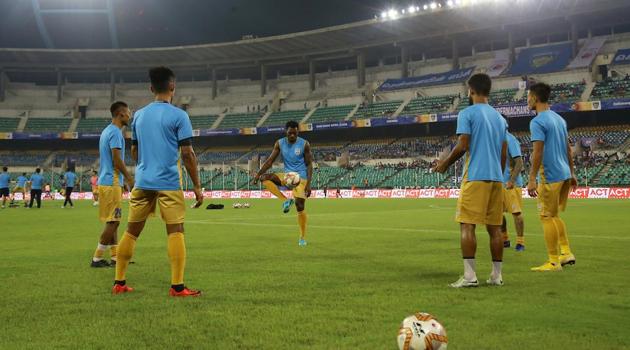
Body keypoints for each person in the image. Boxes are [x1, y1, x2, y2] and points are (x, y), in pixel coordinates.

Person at [112, 66, 203, 297]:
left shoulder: (139, 115)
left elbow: (135, 151)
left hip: (143, 182)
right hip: (168, 182)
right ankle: (177, 287)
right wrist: (197, 185)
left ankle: (119, 282)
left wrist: (147, 164)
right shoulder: (179, 116)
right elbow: (187, 154)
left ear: (151, 88)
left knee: (131, 231)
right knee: (175, 230)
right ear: (172, 86)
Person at [433, 73, 508, 288]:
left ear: (471, 90)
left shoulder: (467, 113)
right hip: (496, 178)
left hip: (476, 176)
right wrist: (499, 175)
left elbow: (463, 144)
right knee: (495, 229)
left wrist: (445, 164)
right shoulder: (500, 118)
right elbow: (503, 152)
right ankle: (496, 276)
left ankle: (469, 276)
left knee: (467, 225)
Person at [526, 82, 577, 272]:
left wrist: (532, 179)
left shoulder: (537, 121)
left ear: (535, 98)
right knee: (554, 215)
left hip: (550, 175)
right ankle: (566, 252)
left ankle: (553, 262)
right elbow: (568, 149)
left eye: (529, 96)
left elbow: (537, 152)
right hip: (564, 173)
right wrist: (572, 173)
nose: (527, 100)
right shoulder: (559, 119)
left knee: (546, 216)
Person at [253, 120, 313, 246]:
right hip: (287, 177)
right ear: (286, 132)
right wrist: (258, 174)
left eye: (294, 133)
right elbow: (270, 161)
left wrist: (308, 183)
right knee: (265, 178)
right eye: (290, 133)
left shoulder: (304, 144)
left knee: (300, 205)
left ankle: (302, 237)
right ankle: (285, 200)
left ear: (298, 132)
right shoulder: (279, 143)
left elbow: (309, 164)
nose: (292, 135)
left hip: (300, 178)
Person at [91, 101, 134, 268]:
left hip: (108, 181)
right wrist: (129, 178)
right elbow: (117, 160)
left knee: (113, 220)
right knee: (114, 222)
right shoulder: (115, 133)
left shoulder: (106, 131)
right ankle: (97, 258)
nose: (129, 116)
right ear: (120, 114)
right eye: (128, 112)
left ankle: (115, 258)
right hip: (111, 182)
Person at [501, 116, 526, 252]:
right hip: (498, 183)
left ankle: (520, 242)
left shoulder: (510, 139)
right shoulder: (495, 140)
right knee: (498, 213)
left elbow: (519, 162)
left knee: (516, 213)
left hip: (511, 184)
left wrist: (511, 180)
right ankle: (505, 239)